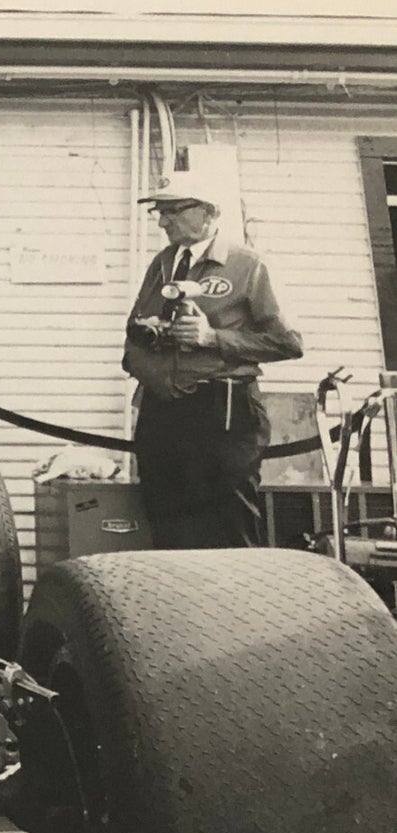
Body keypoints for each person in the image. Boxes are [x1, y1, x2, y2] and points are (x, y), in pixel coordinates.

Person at [123, 165, 303, 548]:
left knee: (228, 524)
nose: (163, 221)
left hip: (222, 409)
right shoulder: (162, 265)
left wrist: (212, 338)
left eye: (173, 210)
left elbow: (287, 342)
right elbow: (133, 334)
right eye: (159, 211)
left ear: (208, 212)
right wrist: (152, 346)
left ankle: (238, 607)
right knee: (166, 521)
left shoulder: (249, 265)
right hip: (163, 411)